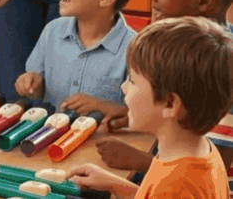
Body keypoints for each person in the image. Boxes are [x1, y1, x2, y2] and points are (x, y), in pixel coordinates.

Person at [95, 0, 233, 173]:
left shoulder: (222, 66)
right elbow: (191, 117)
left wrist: (140, 161)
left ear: (203, 0)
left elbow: (214, 168)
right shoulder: (188, 50)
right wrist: (144, 116)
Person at [69, 17, 233, 199]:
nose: (124, 87)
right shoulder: (197, 151)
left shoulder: (174, 186)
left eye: (132, 80)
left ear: (170, 104)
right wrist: (114, 184)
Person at [15, 0, 143, 112]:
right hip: (54, 135)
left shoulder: (135, 50)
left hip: (105, 138)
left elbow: (141, 114)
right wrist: (31, 82)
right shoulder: (53, 31)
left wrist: (102, 107)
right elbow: (36, 81)